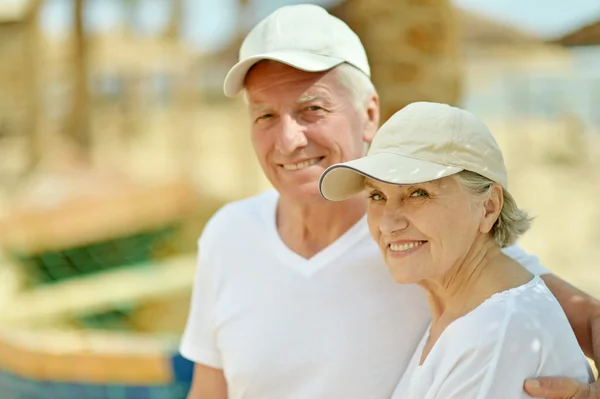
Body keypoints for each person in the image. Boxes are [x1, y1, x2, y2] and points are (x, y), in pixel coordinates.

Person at [180, 4, 600, 399]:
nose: (289, 141)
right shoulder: (227, 234)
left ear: (368, 114)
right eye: (265, 115)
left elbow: (565, 314)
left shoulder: (429, 242)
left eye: (312, 109)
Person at [318, 101, 594, 398]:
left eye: (418, 192)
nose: (388, 222)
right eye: (376, 194)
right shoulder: (463, 311)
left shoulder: (496, 333)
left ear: (488, 207)